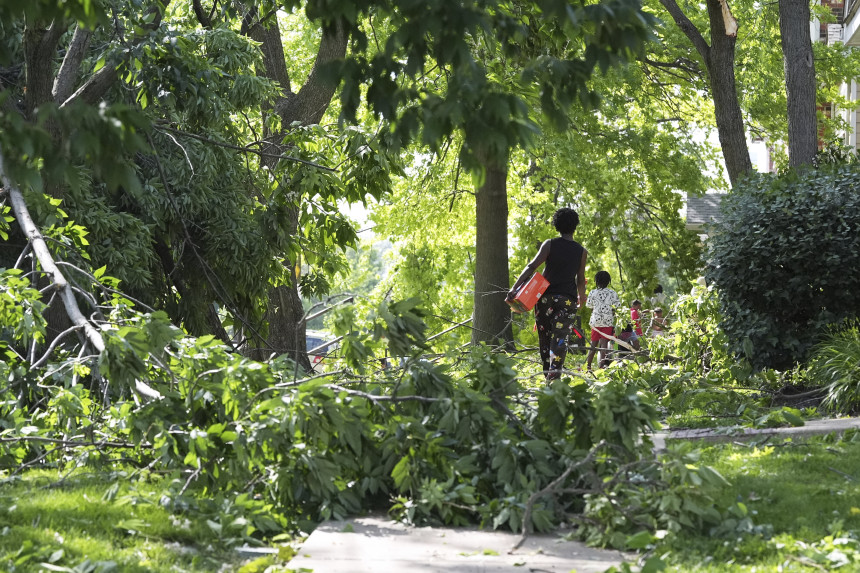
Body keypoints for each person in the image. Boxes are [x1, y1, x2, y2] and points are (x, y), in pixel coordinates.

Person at [507, 207, 588, 380]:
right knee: (560, 340)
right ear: (575, 226)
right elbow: (580, 279)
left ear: (557, 225)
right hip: (568, 300)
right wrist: (582, 297)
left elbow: (532, 266)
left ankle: (546, 374)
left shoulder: (550, 244)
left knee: (545, 337)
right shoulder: (581, 252)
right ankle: (554, 377)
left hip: (545, 299)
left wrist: (515, 288)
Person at [586, 270, 621, 370]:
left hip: (595, 321)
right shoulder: (612, 293)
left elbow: (589, 305)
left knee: (594, 343)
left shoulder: (593, 292)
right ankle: (602, 365)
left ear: (596, 281)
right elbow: (617, 306)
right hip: (607, 321)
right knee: (604, 343)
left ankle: (588, 366)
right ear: (608, 281)